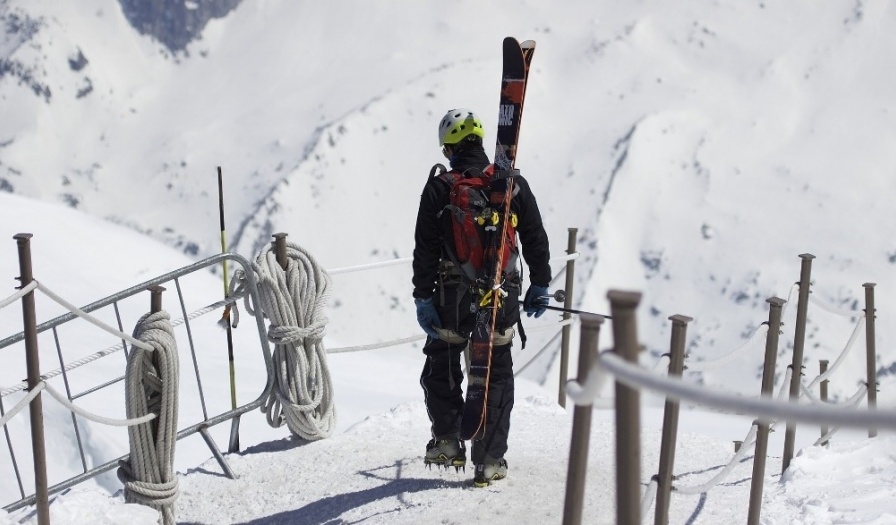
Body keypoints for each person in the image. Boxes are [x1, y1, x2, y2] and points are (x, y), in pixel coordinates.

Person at [412, 108, 552, 487]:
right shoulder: (510, 184)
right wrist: (540, 285)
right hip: (499, 298)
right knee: (497, 375)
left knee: (441, 366)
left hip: (449, 299)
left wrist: (422, 297)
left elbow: (424, 249)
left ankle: (447, 443)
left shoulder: (441, 187)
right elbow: (535, 239)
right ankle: (490, 461)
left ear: (449, 148)